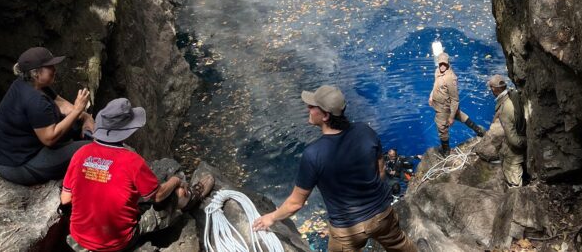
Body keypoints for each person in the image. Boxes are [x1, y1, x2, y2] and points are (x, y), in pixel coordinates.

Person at [252, 85, 416, 252]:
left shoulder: (313, 154)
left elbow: (295, 204)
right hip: (382, 214)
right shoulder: (366, 131)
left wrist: (270, 218)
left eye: (312, 106)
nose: (308, 108)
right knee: (401, 246)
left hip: (347, 230)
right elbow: (380, 172)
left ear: (325, 115)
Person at [60, 98, 215, 252]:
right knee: (176, 194)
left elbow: (65, 198)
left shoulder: (80, 154)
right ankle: (190, 199)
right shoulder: (132, 161)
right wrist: (175, 180)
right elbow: (159, 196)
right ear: (127, 131)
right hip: (117, 242)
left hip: (79, 238)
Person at [0, 47, 95, 185]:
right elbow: (49, 139)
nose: (54, 69)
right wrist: (77, 110)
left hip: (13, 155)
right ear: (35, 73)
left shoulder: (31, 84)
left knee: (76, 124)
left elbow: (61, 104)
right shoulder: (34, 100)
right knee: (93, 149)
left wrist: (85, 116)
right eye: (50, 67)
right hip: (20, 166)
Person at [428, 52, 485, 156]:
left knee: (442, 128)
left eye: (444, 64)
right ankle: (479, 130)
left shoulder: (450, 78)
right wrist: (431, 96)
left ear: (448, 64)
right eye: (440, 64)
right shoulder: (437, 71)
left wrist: (451, 117)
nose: (442, 66)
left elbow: (455, 100)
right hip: (439, 105)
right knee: (462, 116)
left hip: (444, 108)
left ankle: (446, 151)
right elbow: (435, 85)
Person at [488, 74, 527, 187]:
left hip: (517, 145)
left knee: (512, 172)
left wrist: (527, 142)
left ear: (494, 89)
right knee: (502, 151)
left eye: (491, 87)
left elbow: (514, 140)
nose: (490, 90)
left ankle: (515, 189)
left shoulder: (505, 108)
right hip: (521, 131)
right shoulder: (513, 94)